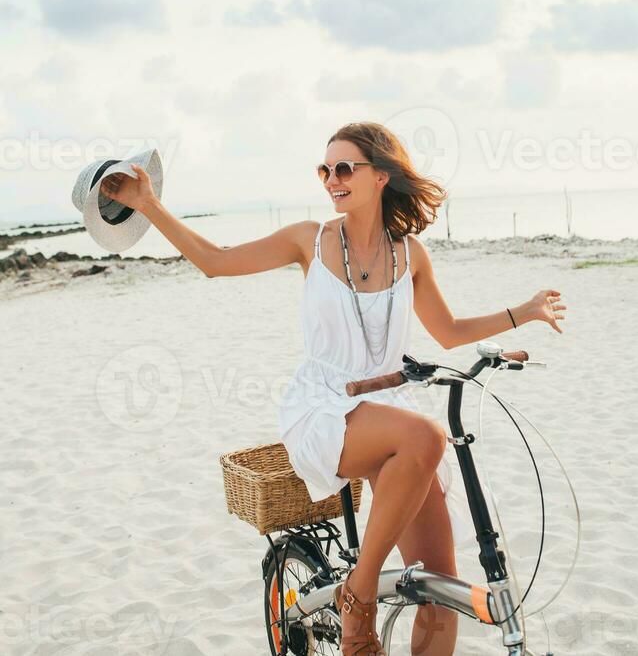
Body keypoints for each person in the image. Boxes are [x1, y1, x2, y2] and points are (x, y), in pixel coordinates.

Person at [100, 121, 566, 656]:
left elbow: (449, 331)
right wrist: (150, 204)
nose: (331, 179)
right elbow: (217, 262)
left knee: (440, 588)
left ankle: (364, 589)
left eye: (344, 168)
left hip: (391, 409)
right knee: (426, 437)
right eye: (325, 169)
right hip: (324, 407)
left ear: (381, 176)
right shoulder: (310, 239)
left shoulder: (410, 253)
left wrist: (523, 312)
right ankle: (359, 595)